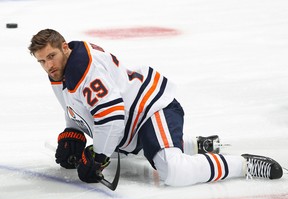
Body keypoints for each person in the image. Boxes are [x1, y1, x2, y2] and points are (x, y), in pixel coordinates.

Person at [28, 29, 283, 187]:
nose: (48, 65)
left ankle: (244, 165)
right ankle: (195, 144)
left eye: (51, 56)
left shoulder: (86, 71)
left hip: (150, 110)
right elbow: (78, 106)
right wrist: (73, 130)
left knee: (174, 172)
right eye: (42, 61)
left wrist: (99, 157)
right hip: (132, 123)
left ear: (65, 48)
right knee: (130, 154)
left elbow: (112, 117)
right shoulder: (61, 71)